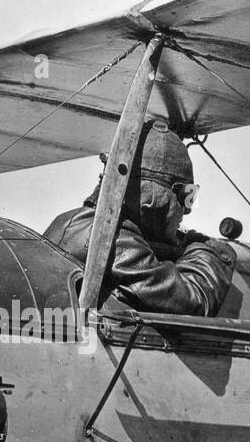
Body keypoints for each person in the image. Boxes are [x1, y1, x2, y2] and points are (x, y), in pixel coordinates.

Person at [44, 119, 235, 316]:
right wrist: (214, 252)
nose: (187, 211)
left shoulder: (77, 223)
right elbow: (193, 301)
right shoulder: (111, 239)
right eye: (188, 196)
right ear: (156, 198)